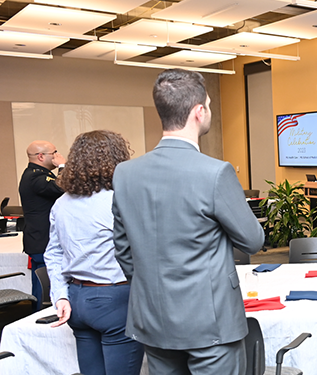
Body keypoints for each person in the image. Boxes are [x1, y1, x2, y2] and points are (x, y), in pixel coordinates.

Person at [112, 69, 264, 374]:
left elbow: (122, 248)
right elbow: (253, 240)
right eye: (208, 104)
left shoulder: (125, 173)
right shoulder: (215, 172)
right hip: (211, 321)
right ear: (199, 112)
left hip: (152, 318)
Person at [45, 130, 143, 375]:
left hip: (76, 300)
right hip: (115, 298)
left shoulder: (62, 203)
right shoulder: (120, 200)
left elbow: (53, 254)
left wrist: (60, 296)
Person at [18, 140, 66, 310]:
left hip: (40, 239)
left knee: (43, 285)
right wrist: (62, 166)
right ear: (41, 156)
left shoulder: (36, 174)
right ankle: (40, 320)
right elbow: (61, 188)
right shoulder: (35, 176)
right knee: (44, 289)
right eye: (54, 152)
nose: (57, 156)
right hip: (42, 240)